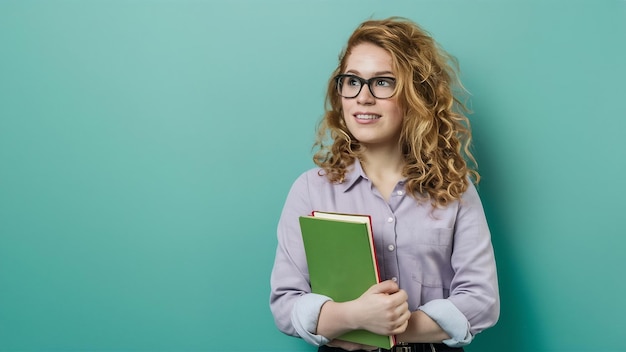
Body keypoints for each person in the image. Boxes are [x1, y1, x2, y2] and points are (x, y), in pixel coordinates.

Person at [270, 17, 499, 352]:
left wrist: (391, 326)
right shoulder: (309, 190)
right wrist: (353, 315)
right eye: (352, 81)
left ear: (415, 94)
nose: (363, 97)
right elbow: (286, 304)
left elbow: (480, 301)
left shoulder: (456, 189)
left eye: (382, 82)